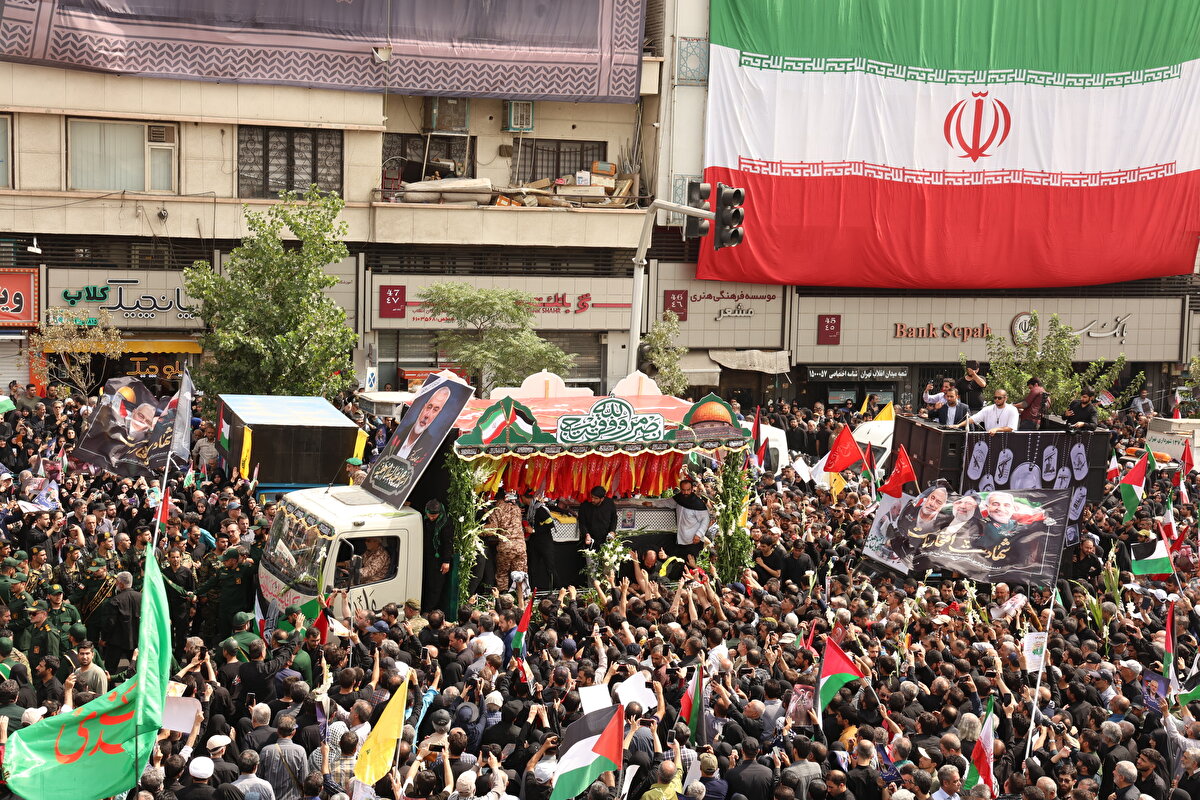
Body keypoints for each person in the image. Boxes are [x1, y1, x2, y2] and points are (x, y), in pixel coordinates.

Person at [393, 385, 453, 464]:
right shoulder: (398, 435)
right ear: (423, 407)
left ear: (438, 413)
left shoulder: (431, 446)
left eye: (435, 410)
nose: (427, 415)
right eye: (429, 407)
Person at [422, 500, 453, 611]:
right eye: (429, 516)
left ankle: (429, 610)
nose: (431, 518)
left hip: (438, 560)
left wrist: (446, 561)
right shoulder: (424, 519)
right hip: (425, 556)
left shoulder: (445, 523)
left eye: (434, 517)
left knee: (435, 585)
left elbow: (447, 543)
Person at [577, 486, 617, 551]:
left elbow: (614, 518)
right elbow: (582, 522)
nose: (592, 500)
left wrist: (612, 531)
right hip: (590, 539)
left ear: (602, 499)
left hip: (606, 538)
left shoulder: (609, 503)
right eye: (592, 497)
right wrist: (586, 534)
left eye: (596, 498)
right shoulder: (585, 505)